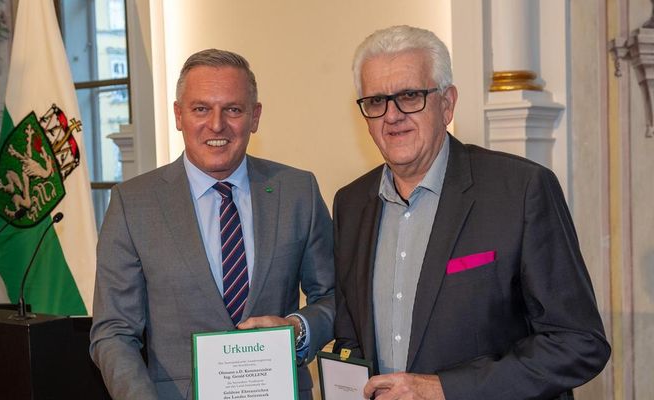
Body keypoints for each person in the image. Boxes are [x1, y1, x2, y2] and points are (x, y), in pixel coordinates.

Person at [333, 25, 610, 400]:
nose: (392, 115)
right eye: (376, 101)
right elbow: (351, 339)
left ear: (447, 104)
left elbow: (579, 343)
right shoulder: (350, 204)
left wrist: (444, 389)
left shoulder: (521, 190)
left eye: (410, 96)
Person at [90, 48, 335, 400]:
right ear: (179, 115)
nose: (217, 125)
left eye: (233, 109)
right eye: (201, 109)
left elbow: (333, 297)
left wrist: (297, 328)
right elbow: (113, 333)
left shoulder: (298, 192)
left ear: (255, 117)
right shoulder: (133, 204)